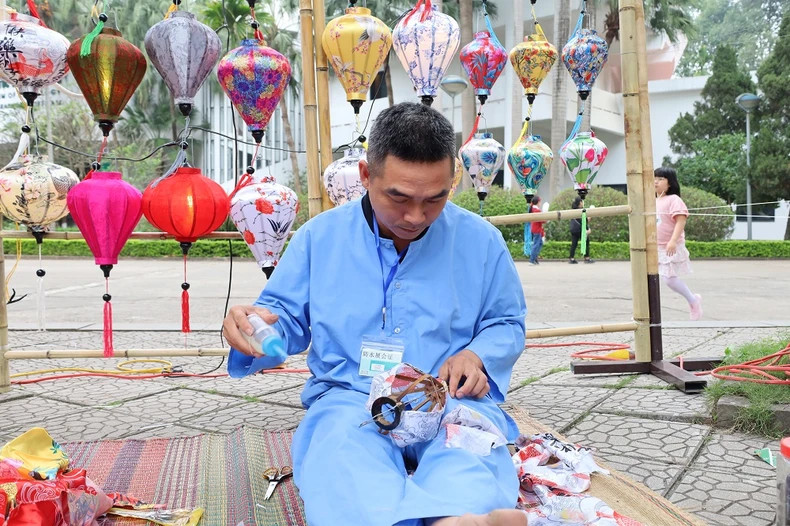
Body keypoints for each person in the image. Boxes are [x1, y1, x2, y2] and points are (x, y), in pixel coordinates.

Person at [223, 103, 528, 526]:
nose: (415, 217)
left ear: (451, 181)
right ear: (366, 176)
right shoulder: (320, 237)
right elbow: (284, 319)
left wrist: (476, 356)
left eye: (435, 198)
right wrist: (252, 329)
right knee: (341, 451)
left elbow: (505, 323)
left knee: (470, 450)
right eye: (399, 198)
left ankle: (455, 517)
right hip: (351, 395)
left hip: (448, 396)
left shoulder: (483, 242)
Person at [655, 166, 702, 321]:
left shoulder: (674, 200)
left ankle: (693, 300)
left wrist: (673, 241)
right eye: (655, 178)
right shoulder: (652, 201)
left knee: (669, 279)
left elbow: (681, 220)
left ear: (670, 183)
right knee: (650, 278)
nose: (656, 181)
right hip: (655, 246)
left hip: (670, 246)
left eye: (661, 179)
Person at [569, 196, 594, 264]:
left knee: (574, 244)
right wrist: (587, 229)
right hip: (580, 229)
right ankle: (587, 258)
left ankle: (571, 258)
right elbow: (583, 221)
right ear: (580, 202)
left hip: (573, 229)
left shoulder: (573, 209)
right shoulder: (581, 210)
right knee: (586, 242)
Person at [528, 196, 544, 265]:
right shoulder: (537, 210)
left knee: (539, 243)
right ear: (538, 202)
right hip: (537, 229)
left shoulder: (533, 209)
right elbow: (542, 220)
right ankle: (532, 260)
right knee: (536, 244)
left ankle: (535, 258)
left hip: (535, 229)